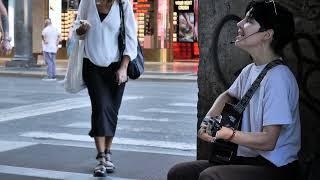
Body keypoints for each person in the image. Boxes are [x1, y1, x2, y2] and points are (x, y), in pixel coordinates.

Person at [168, 1, 300, 180]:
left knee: (210, 177)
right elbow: (228, 95)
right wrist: (208, 121)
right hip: (245, 160)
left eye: (249, 21)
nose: (239, 24)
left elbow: (269, 140)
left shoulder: (278, 77)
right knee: (179, 173)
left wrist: (230, 134)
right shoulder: (250, 70)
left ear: (267, 35)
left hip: (274, 167)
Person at [75, 0, 137, 177]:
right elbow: (77, 31)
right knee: (100, 108)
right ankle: (101, 158)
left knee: (112, 111)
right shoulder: (87, 2)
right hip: (92, 65)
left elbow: (131, 37)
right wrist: (81, 30)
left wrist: (124, 67)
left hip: (117, 67)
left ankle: (108, 153)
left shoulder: (123, 4)